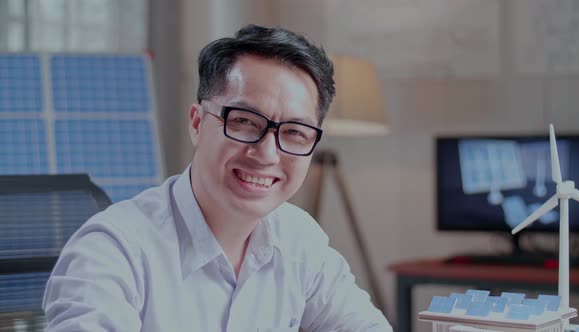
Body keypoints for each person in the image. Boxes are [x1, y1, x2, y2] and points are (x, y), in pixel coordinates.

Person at [42, 24, 393, 331]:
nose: (267, 154)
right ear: (197, 123)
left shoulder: (299, 238)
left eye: (295, 133)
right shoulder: (111, 252)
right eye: (243, 121)